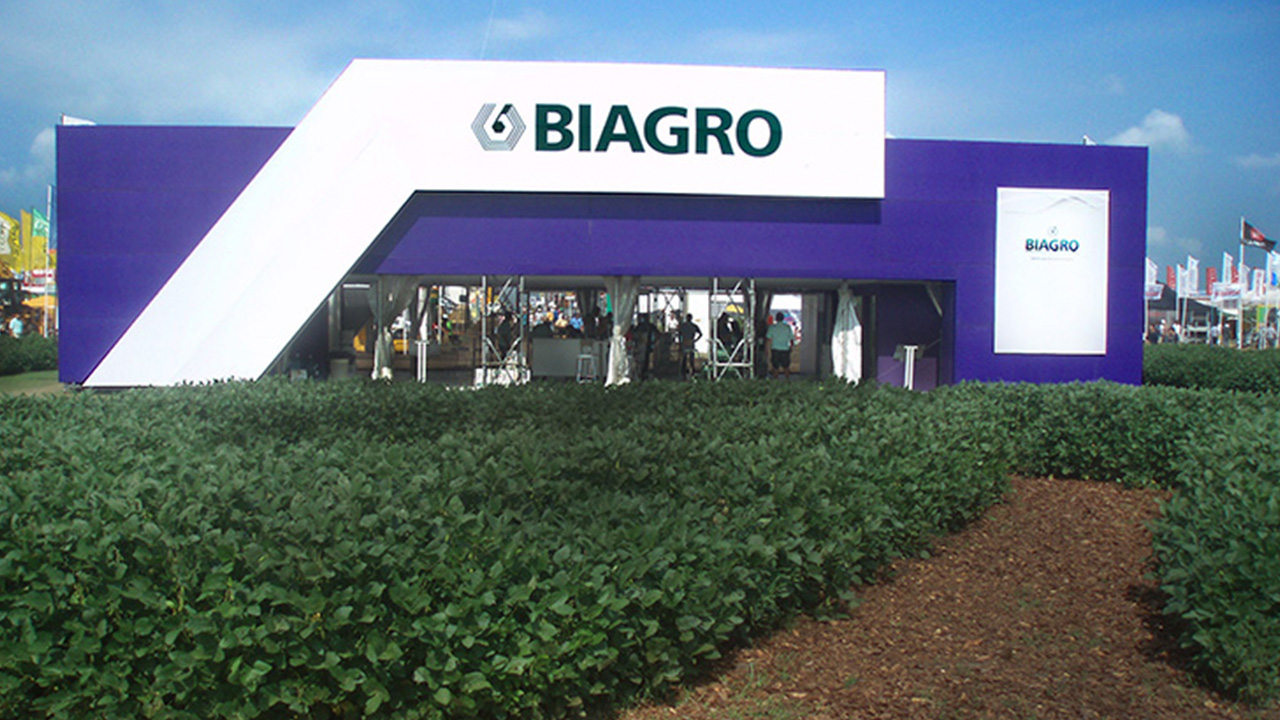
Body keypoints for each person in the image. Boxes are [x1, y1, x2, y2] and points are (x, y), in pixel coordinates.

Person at [765, 311, 795, 379]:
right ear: (783, 318)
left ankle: (776, 381)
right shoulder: (787, 327)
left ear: (776, 318)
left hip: (775, 349)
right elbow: (791, 339)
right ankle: (787, 381)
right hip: (785, 349)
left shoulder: (772, 327)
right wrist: (791, 347)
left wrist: (767, 349)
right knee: (786, 367)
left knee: (775, 367)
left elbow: (768, 339)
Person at [677, 313, 702, 379]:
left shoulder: (683, 326)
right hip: (691, 342)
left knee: (684, 358)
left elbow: (679, 334)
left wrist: (680, 342)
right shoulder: (694, 326)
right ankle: (691, 371)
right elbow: (700, 334)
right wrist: (695, 340)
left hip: (685, 342)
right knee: (691, 358)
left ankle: (684, 372)